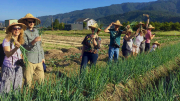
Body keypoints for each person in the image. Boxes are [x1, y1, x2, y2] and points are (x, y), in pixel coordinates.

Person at [18, 13, 45, 87]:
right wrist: (33, 41)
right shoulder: (23, 33)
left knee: (41, 81)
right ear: (26, 22)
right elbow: (24, 48)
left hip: (39, 60)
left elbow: (40, 46)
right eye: (30, 22)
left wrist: (43, 57)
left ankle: (38, 96)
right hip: (29, 60)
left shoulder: (37, 31)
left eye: (33, 22)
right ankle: (26, 97)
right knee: (28, 82)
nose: (32, 23)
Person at [0, 23, 26, 93]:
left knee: (17, 88)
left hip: (18, 67)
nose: (17, 30)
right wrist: (16, 48)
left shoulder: (20, 40)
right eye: (15, 28)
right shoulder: (7, 40)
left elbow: (20, 54)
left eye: (19, 28)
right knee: (6, 89)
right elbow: (8, 54)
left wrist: (23, 59)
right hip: (9, 67)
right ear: (11, 30)